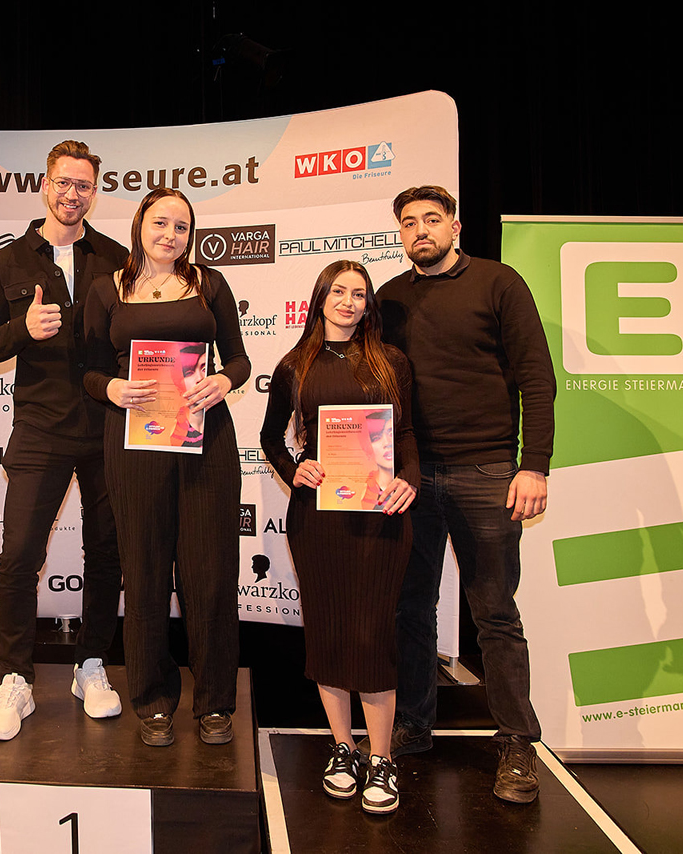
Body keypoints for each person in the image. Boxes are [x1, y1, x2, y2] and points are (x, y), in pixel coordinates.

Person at [375, 185, 555, 804]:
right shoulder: (389, 298)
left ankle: (517, 744)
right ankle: (413, 724)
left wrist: (534, 466)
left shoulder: (499, 283)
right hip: (412, 477)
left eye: (431, 219)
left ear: (455, 225)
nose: (419, 230)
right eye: (408, 223)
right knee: (410, 608)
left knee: (495, 614)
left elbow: (537, 378)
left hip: (488, 472)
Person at [0, 140, 128, 740]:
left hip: (107, 426)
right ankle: (16, 678)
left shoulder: (116, 258)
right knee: (18, 558)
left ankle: (92, 665)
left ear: (93, 192)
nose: (72, 194)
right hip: (39, 428)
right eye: (63, 182)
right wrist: (21, 328)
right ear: (45, 185)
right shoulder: (9, 262)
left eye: (83, 185)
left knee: (106, 554)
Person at [83, 188, 249, 747]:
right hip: (134, 442)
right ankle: (153, 701)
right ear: (140, 225)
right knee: (145, 571)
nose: (170, 235)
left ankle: (215, 702)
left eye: (181, 227)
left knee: (210, 573)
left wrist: (223, 380)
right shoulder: (107, 289)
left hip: (206, 439)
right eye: (160, 223)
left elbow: (240, 358)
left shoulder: (210, 285)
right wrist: (111, 387)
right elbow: (86, 368)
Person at [260, 260, 418, 814]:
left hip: (381, 516)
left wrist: (409, 480)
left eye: (360, 294)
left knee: (373, 635)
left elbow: (408, 433)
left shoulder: (391, 361)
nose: (350, 302)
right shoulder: (294, 365)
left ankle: (382, 758)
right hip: (318, 520)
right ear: (321, 298)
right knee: (327, 633)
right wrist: (294, 468)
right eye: (340, 292)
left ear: (368, 304)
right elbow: (270, 437)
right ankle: (343, 748)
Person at [361, 410, 396, 510]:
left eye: (391, 433)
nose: (387, 443)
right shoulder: (364, 493)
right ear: (367, 448)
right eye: (376, 438)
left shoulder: (411, 483)